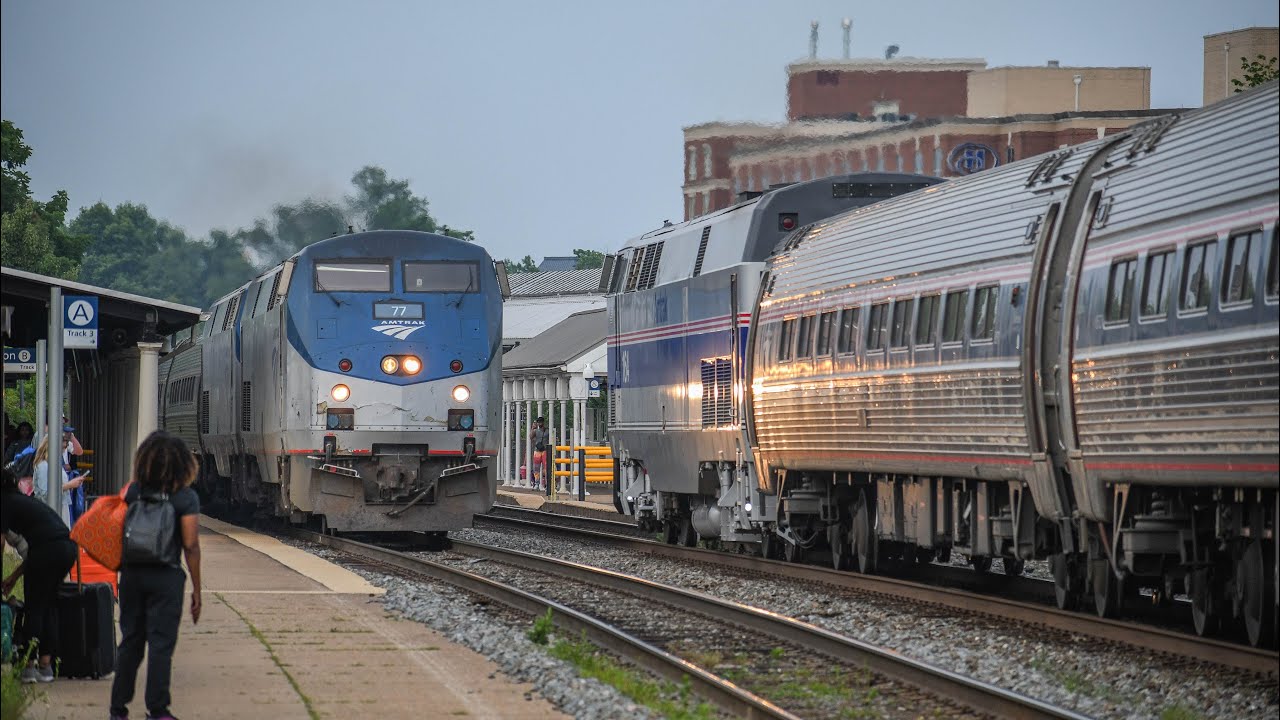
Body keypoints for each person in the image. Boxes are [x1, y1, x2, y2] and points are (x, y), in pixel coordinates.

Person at [110, 430, 203, 720]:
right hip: (166, 577)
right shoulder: (185, 498)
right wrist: (198, 590)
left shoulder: (134, 492)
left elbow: (118, 528)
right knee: (161, 645)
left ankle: (118, 710)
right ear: (182, 464)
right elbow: (190, 545)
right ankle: (158, 710)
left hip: (133, 576)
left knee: (130, 644)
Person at [0, 466, 78, 683]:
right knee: (48, 604)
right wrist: (13, 577)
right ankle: (46, 666)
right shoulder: (24, 502)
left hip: (47, 551)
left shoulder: (4, 503)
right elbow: (37, 551)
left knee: (34, 606)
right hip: (67, 548)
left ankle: (29, 666)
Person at [32, 436, 83, 526]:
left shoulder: (54, 464)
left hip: (59, 508)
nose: (64, 451)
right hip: (51, 510)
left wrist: (72, 484)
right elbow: (45, 493)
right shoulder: (44, 466)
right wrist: (69, 485)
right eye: (63, 447)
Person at [529, 417, 548, 490]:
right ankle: (536, 483)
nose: (539, 423)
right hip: (537, 450)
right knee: (536, 468)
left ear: (543, 422)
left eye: (540, 422)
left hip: (545, 450)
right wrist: (532, 428)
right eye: (538, 422)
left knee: (546, 468)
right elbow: (530, 437)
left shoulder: (547, 431)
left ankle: (546, 484)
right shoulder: (535, 431)